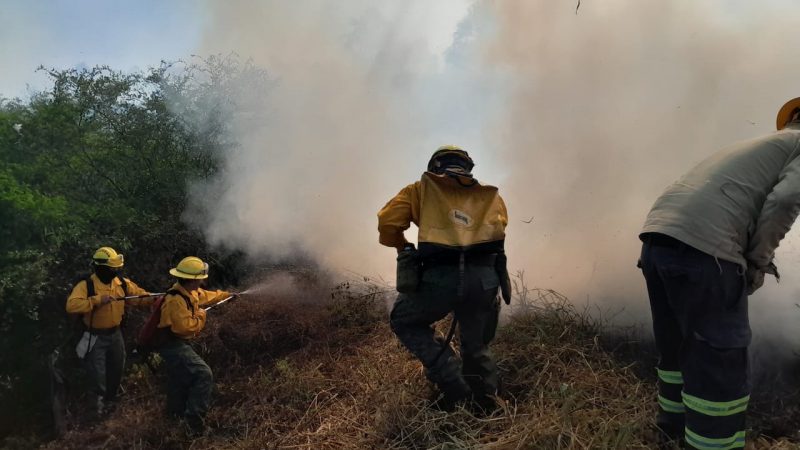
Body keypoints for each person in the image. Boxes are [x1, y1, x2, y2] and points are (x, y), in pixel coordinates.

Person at [638, 97, 800, 449]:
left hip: (656, 241)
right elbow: (786, 201)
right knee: (719, 369)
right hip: (705, 251)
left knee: (677, 349)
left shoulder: (761, 145)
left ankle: (671, 434)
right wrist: (758, 260)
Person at [377, 145, 511, 412]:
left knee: (404, 320)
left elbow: (388, 222)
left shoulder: (420, 189)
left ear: (434, 166)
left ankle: (452, 380)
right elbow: (499, 231)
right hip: (484, 280)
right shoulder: (490, 195)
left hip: (440, 279)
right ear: (468, 167)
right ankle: (489, 405)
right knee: (475, 344)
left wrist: (402, 246)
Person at [65, 246, 154, 415]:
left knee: (117, 368)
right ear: (101, 268)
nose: (115, 270)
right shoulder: (87, 286)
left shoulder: (121, 283)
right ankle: (96, 411)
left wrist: (159, 299)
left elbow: (141, 297)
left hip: (115, 335)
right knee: (97, 374)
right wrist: (97, 300)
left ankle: (111, 403)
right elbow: (71, 306)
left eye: (116, 267)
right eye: (112, 268)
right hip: (94, 336)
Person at [156, 256, 235, 435]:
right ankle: (194, 426)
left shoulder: (189, 292)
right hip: (172, 345)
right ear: (191, 279)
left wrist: (226, 295)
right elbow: (184, 328)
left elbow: (206, 296)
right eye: (199, 278)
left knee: (179, 380)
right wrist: (201, 316)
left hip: (177, 343)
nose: (201, 281)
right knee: (203, 374)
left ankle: (174, 419)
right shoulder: (175, 300)